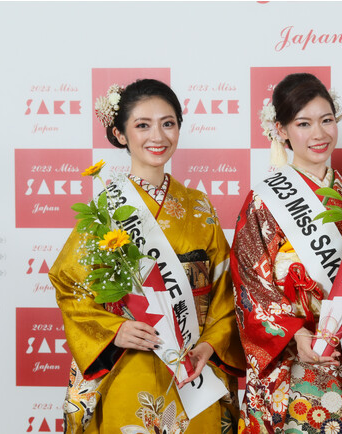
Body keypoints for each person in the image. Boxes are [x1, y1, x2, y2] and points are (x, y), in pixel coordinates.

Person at [49, 79, 245, 433]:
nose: (158, 136)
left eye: (168, 123)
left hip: (193, 366)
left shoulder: (199, 206)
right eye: (143, 125)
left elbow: (224, 289)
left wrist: (210, 345)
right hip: (130, 361)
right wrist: (115, 330)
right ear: (120, 134)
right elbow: (70, 285)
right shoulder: (105, 210)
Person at [231, 73, 342, 433]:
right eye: (303, 123)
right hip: (298, 354)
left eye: (326, 120)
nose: (319, 133)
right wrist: (295, 334)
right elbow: (250, 283)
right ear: (281, 130)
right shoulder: (264, 201)